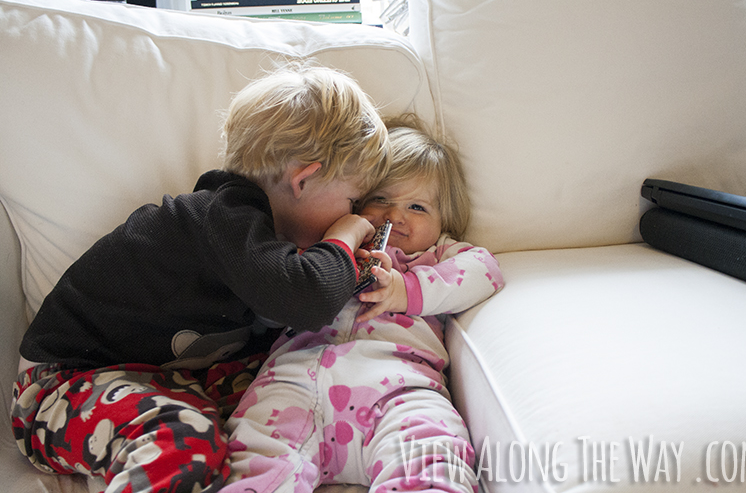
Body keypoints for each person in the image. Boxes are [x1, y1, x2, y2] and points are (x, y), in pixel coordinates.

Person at [10, 62, 390, 493]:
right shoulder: (219, 217)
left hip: (167, 379)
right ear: (304, 179)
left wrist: (360, 273)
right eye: (351, 200)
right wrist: (343, 238)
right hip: (62, 387)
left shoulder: (262, 243)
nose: (353, 215)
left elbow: (305, 299)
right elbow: (304, 299)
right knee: (182, 441)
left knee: (298, 390)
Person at [222, 120, 504, 493]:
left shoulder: (437, 255)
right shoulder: (324, 247)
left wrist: (405, 290)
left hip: (399, 388)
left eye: (417, 206)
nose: (395, 216)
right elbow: (271, 295)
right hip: (292, 381)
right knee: (253, 459)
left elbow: (485, 271)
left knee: (432, 454)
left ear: (444, 222)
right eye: (381, 199)